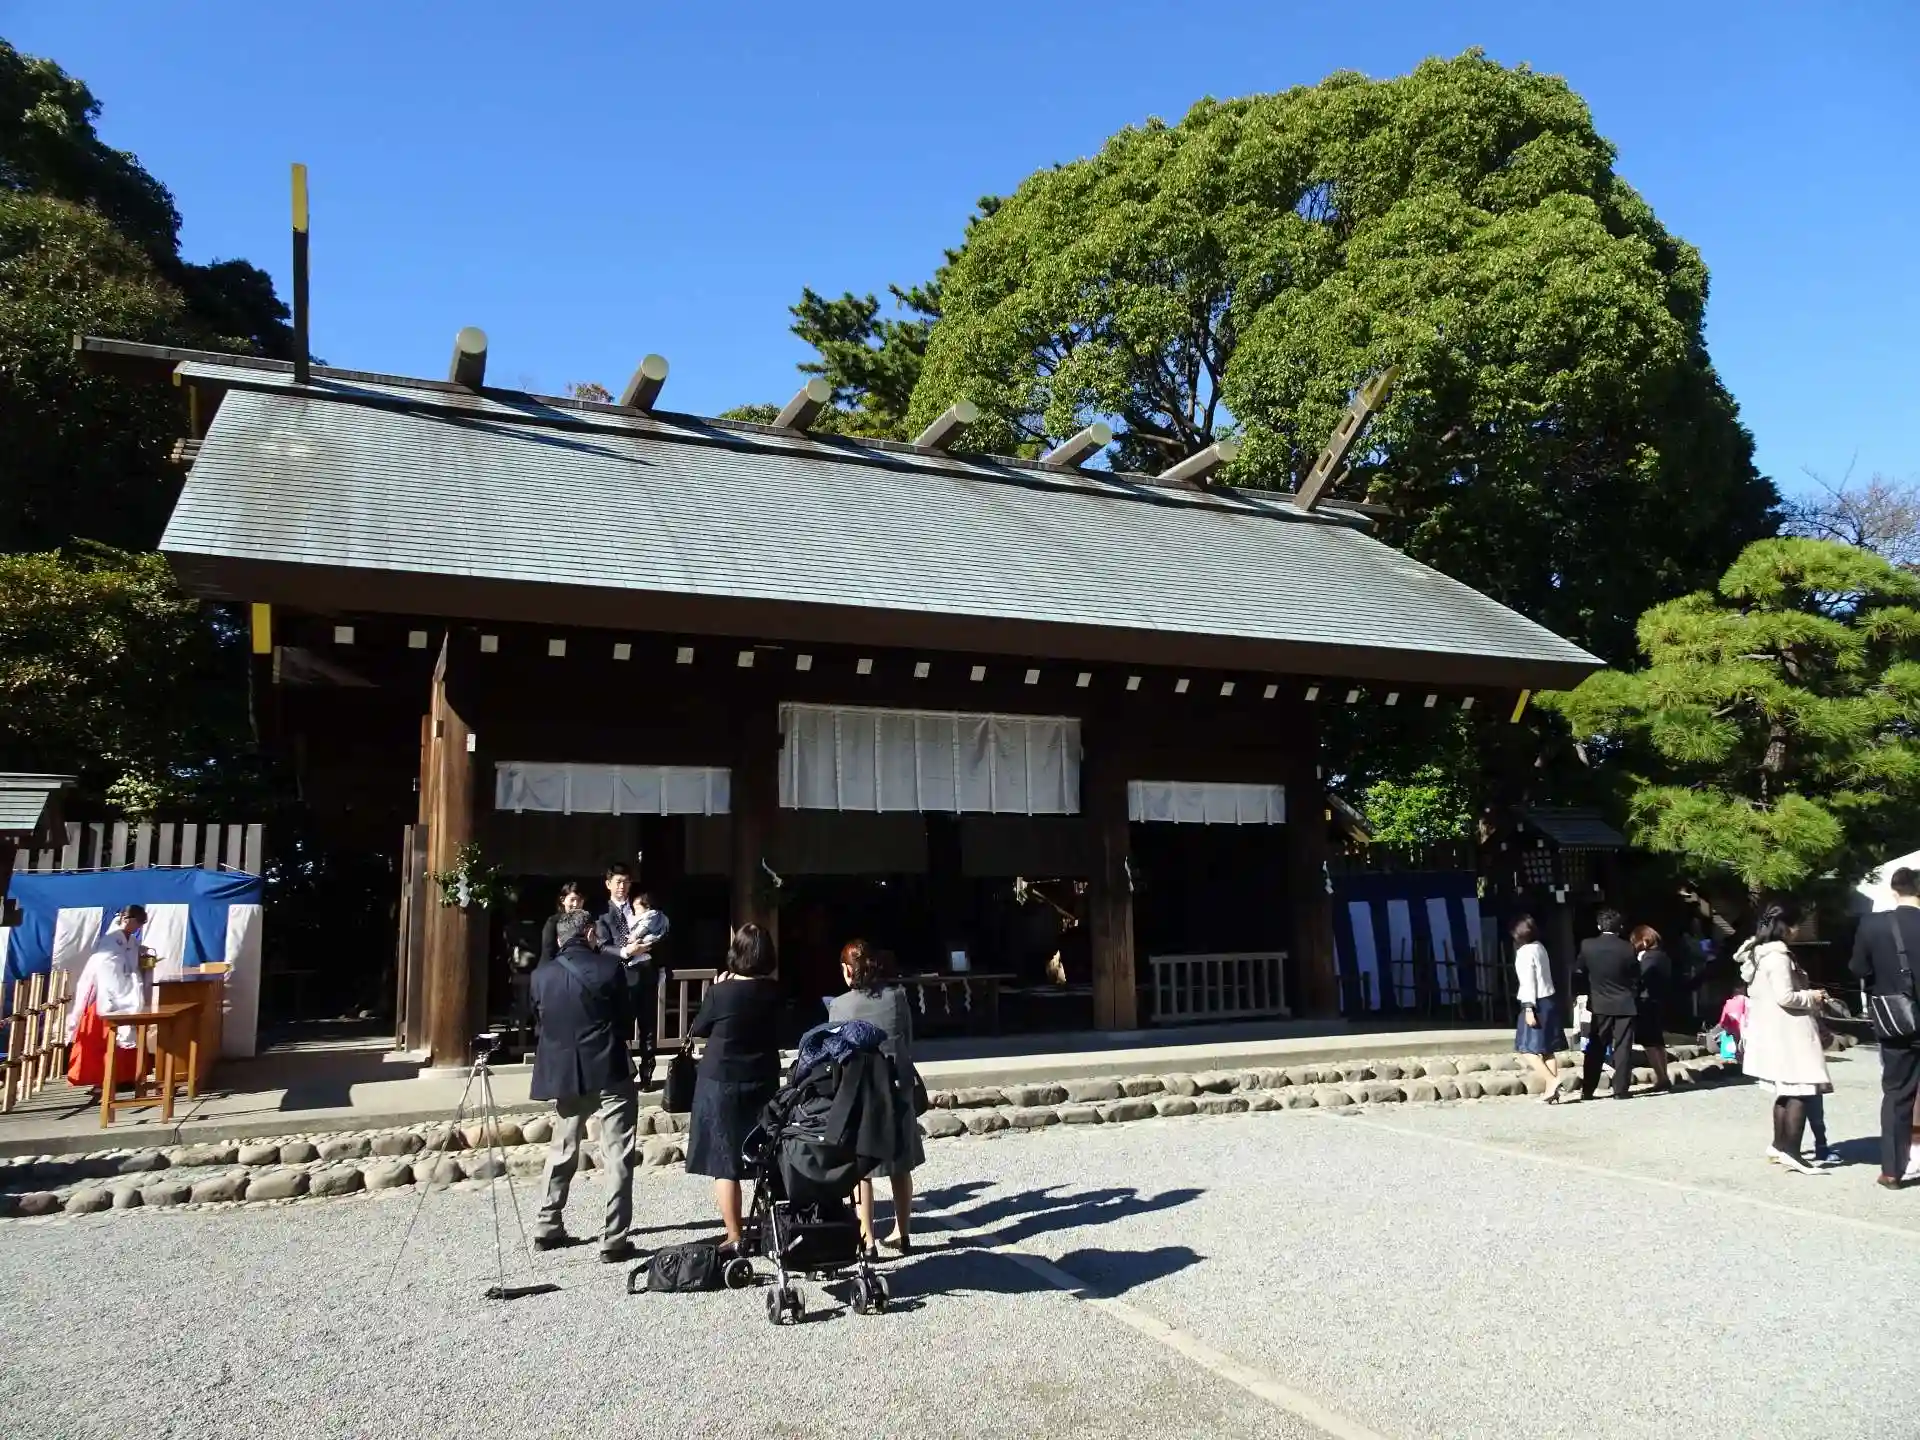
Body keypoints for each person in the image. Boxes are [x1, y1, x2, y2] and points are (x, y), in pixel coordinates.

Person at [529, 910, 638, 1261]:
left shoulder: (541, 975)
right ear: (590, 933)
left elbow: (539, 1021)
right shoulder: (610, 968)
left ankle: (547, 1224)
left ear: (561, 939)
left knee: (563, 1147)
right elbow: (626, 1019)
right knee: (617, 1152)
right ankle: (614, 1237)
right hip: (608, 1066)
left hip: (566, 1072)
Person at [686, 923, 783, 1248]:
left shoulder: (721, 992)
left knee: (724, 1161)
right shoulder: (773, 991)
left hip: (721, 1078)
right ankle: (770, 1225)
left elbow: (700, 1028)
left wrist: (714, 989)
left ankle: (734, 1233)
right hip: (762, 1076)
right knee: (764, 1154)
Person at [828, 940, 925, 1251]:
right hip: (896, 1084)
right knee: (900, 1163)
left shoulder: (839, 1006)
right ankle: (902, 1231)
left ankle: (867, 1237)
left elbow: (836, 1053)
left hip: (861, 1089)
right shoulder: (897, 997)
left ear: (848, 970)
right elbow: (907, 1039)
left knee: (863, 1167)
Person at [1736, 901, 1833, 1176]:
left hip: (1772, 1030)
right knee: (1801, 1089)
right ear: (1785, 927)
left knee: (1785, 1090)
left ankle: (1779, 1146)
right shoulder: (1778, 957)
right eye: (1796, 924)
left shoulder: (1758, 954)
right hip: (1790, 1032)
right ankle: (1792, 1151)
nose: (1798, 930)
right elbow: (1786, 996)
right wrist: (1813, 996)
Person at [1849, 865, 1920, 1189]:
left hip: (1896, 1020)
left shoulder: (1873, 924)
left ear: (1894, 891)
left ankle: (1892, 1170)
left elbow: (1857, 968)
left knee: (1897, 1094)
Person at [66, 906, 152, 1092]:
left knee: (127, 1037)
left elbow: (131, 963)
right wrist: (123, 988)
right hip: (106, 995)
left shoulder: (132, 941)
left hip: (127, 992)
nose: (138, 927)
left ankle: (126, 1077)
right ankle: (101, 1079)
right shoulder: (110, 941)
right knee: (103, 1040)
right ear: (128, 919)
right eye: (138, 922)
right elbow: (107, 969)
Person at [1577, 909, 1639, 1102]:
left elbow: (1579, 970)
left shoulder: (1587, 945)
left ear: (1599, 926)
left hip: (1599, 1002)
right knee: (1623, 1047)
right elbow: (1635, 974)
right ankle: (1620, 1089)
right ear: (1620, 927)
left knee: (1595, 1046)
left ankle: (1588, 1089)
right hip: (1624, 1002)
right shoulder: (1627, 948)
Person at [1510, 915, 1565, 1104]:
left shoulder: (1524, 952)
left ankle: (1552, 1080)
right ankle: (1551, 1091)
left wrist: (1528, 1007)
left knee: (1526, 1048)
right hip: (1549, 998)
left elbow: (1528, 981)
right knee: (1548, 1049)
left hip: (1535, 1002)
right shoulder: (1540, 947)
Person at [1629, 925, 1675, 1093]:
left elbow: (1641, 979)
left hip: (1646, 1002)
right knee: (1658, 1042)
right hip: (1659, 1001)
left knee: (1649, 1043)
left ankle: (1661, 1077)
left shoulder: (1648, 958)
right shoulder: (1663, 956)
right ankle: (1663, 1075)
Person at [538, 882, 589, 965]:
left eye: (579, 900)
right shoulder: (553, 922)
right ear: (562, 900)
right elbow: (548, 952)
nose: (576, 904)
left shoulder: (588, 921)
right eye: (572, 900)